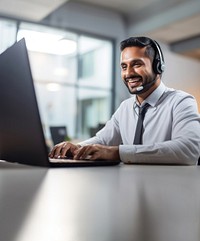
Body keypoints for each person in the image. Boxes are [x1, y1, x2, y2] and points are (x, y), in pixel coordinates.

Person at [49, 36, 200, 165]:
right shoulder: (126, 107)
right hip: (129, 186)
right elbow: (102, 140)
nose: (128, 73)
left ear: (158, 66)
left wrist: (118, 153)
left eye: (137, 64)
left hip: (169, 189)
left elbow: (189, 149)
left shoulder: (181, 101)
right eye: (124, 66)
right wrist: (76, 147)